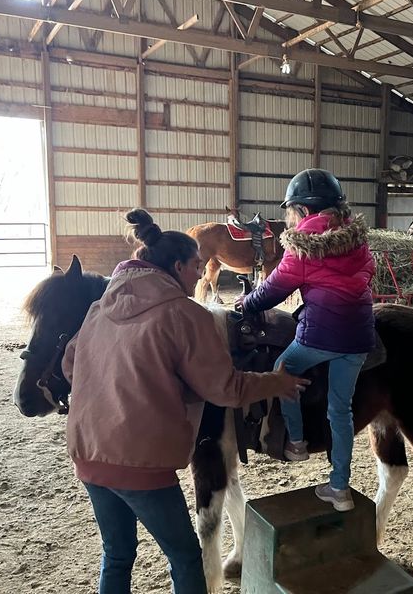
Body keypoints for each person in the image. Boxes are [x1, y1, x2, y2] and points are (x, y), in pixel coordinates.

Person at [61, 209, 310, 594]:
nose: (202, 272)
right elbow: (224, 388)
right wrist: (276, 382)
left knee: (117, 552)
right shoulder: (183, 314)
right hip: (139, 461)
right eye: (196, 265)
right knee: (185, 556)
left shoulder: (99, 308)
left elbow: (69, 365)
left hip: (87, 452)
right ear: (177, 267)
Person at [238, 168, 375, 513]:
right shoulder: (356, 238)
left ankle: (296, 441)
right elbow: (369, 270)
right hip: (359, 334)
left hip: (320, 334)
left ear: (301, 210)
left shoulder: (301, 245)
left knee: (283, 370)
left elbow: (273, 291)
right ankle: (340, 488)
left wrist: (245, 303)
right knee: (340, 410)